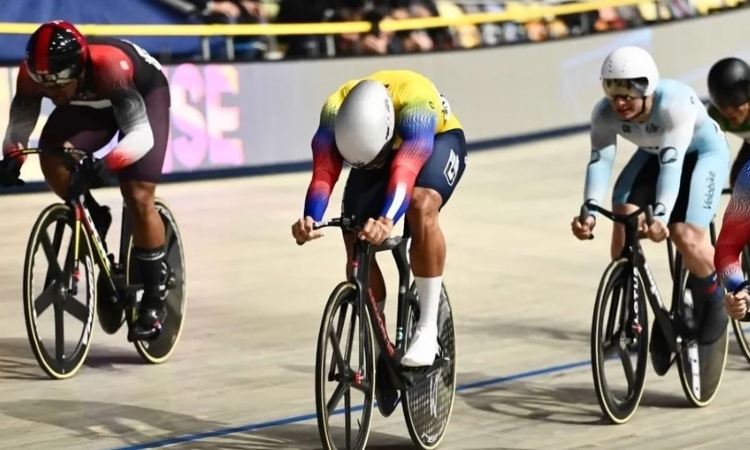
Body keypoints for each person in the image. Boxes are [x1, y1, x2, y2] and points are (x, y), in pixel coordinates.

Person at [290, 70, 467, 410]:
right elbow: (324, 175)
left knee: (420, 203)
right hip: (377, 153)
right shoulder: (334, 113)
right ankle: (380, 344)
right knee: (352, 230)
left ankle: (427, 328)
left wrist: (387, 220)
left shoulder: (416, 102)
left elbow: (404, 170)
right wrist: (310, 217)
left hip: (436, 142)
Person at [0, 20, 171, 341]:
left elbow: (140, 134)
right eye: (44, 84)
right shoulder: (34, 74)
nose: (51, 92)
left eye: (58, 84)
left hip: (143, 94)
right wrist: (13, 157)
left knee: (137, 194)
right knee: (52, 154)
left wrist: (109, 163)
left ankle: (154, 296)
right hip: (89, 105)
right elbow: (20, 125)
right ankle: (94, 215)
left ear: (78, 70)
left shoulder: (110, 67)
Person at [570, 46, 731, 376]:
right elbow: (600, 160)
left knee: (685, 235)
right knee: (622, 215)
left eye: (630, 90)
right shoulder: (604, 113)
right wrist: (588, 213)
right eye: (612, 89)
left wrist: (660, 216)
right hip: (656, 155)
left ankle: (715, 300)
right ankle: (631, 299)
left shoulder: (673, 105)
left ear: (650, 87)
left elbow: (671, 168)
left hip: (701, 156)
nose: (620, 100)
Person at [706, 57, 750, 188]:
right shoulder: (716, 116)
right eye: (722, 104)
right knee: (738, 185)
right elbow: (708, 151)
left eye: (735, 100)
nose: (729, 111)